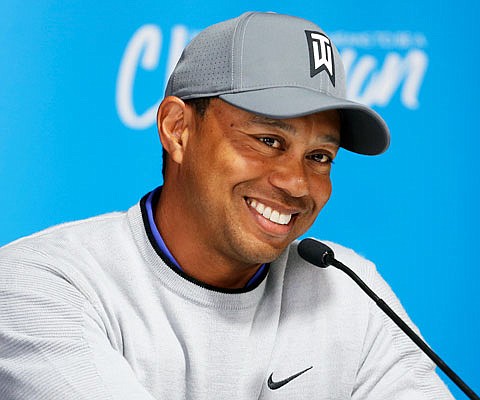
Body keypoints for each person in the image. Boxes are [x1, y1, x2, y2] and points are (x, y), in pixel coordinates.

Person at [0, 11, 454, 399]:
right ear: (178, 129)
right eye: (267, 140)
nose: (297, 183)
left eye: (319, 157)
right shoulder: (41, 283)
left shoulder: (347, 288)